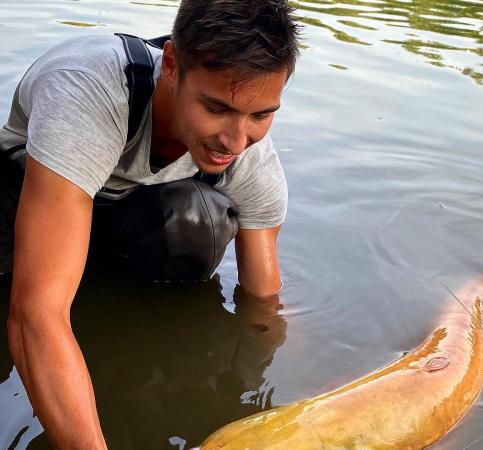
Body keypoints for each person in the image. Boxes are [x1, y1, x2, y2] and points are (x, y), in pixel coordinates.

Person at [0, 0, 300, 448]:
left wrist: (256, 389)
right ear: (173, 65)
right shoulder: (86, 91)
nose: (236, 141)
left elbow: (263, 302)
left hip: (120, 223)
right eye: (216, 107)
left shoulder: (249, 153)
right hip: (27, 204)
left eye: (261, 115)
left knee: (202, 218)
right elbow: (35, 314)